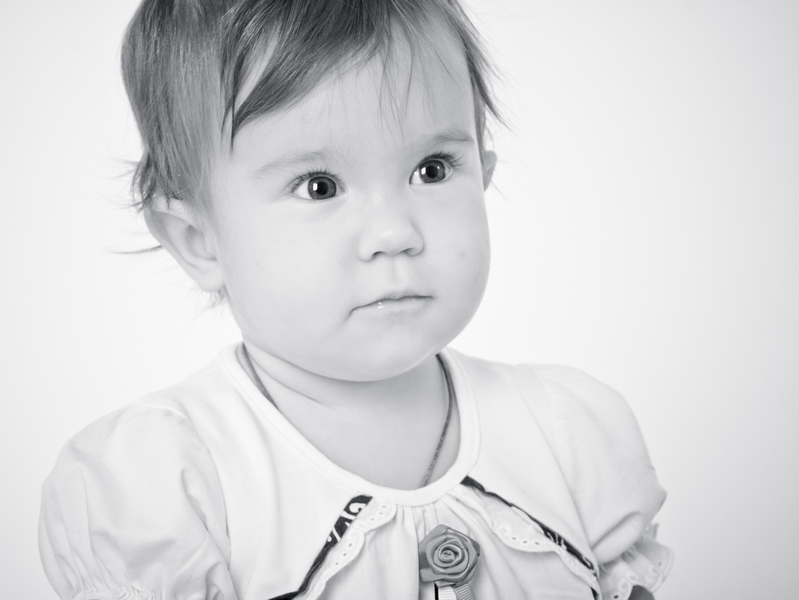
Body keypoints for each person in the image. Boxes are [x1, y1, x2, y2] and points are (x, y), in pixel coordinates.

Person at [38, 1, 672, 598]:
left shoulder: (564, 435)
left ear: (483, 172)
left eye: (431, 169)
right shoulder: (171, 483)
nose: (395, 233)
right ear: (198, 240)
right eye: (319, 186)